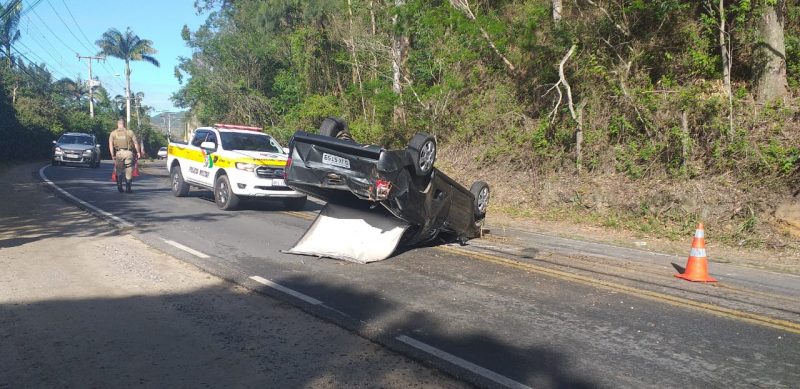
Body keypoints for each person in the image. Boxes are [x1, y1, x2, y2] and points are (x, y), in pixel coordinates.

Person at [108, 119, 144, 193]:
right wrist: (138, 152)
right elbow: (135, 143)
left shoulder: (113, 133)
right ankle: (128, 188)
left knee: (119, 170)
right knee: (128, 170)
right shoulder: (130, 132)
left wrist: (112, 155)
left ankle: (119, 186)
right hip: (128, 153)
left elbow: (111, 145)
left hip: (119, 153)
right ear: (124, 124)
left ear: (118, 124)